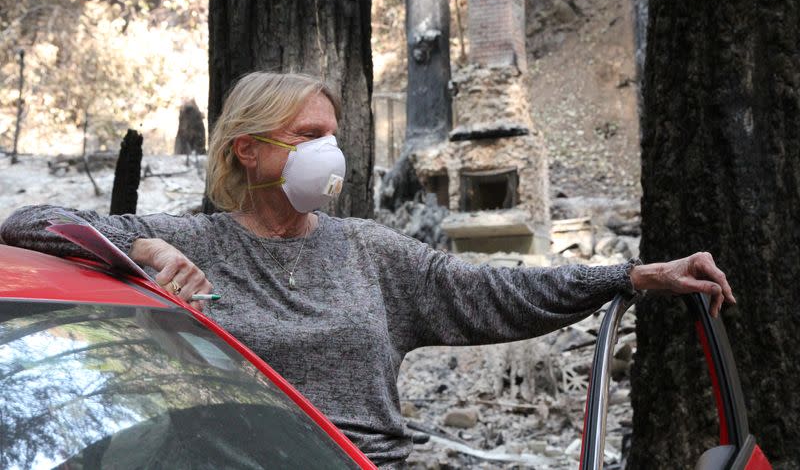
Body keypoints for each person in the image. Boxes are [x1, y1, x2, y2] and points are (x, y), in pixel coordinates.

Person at [0, 71, 735, 468]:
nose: (331, 152)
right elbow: (24, 226)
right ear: (247, 150)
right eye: (307, 135)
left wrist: (633, 276)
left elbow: (494, 290)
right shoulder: (195, 239)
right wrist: (145, 250)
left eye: (334, 136)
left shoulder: (369, 249)